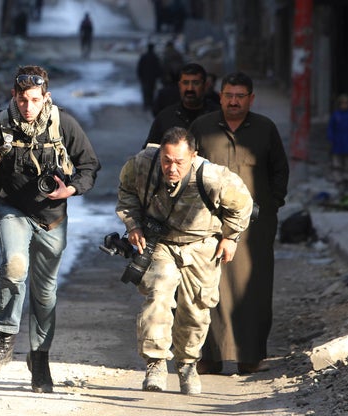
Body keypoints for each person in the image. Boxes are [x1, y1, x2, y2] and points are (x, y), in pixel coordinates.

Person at [0, 65, 100, 393]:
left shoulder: (63, 124)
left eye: (35, 100)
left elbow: (89, 166)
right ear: (13, 95)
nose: (28, 107)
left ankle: (39, 357)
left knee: (45, 293)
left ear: (47, 98)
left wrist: (69, 189)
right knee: (15, 266)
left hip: (53, 216)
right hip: (11, 209)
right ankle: (4, 340)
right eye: (22, 99)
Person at [116, 127, 254, 395]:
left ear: (193, 156)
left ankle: (188, 363)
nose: (172, 168)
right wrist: (133, 224)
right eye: (167, 160)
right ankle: (155, 363)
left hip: (201, 245)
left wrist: (230, 237)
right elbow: (127, 191)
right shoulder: (143, 163)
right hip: (161, 243)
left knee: (196, 308)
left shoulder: (214, 177)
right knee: (159, 293)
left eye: (179, 162)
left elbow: (243, 204)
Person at [189, 72, 290, 375]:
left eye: (240, 96)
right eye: (228, 95)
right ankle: (209, 357)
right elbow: (188, 170)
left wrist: (271, 207)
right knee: (207, 288)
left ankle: (250, 356)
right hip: (209, 225)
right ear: (220, 96)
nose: (234, 101)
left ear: (251, 99)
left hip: (255, 228)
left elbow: (279, 172)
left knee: (253, 289)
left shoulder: (265, 129)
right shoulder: (202, 128)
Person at [144, 63, 220, 147]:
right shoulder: (165, 117)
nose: (190, 88)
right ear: (179, 85)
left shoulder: (217, 116)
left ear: (205, 86)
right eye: (185, 83)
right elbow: (149, 153)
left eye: (195, 83)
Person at [137, 43, 164, 112]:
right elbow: (159, 68)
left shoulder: (144, 56)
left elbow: (139, 67)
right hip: (152, 78)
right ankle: (150, 104)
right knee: (151, 91)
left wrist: (139, 76)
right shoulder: (155, 57)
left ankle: (146, 104)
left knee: (145, 91)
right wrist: (159, 76)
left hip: (145, 77)